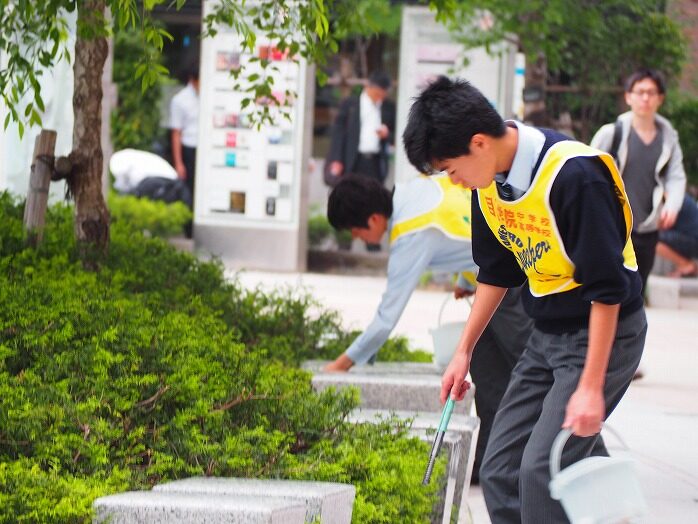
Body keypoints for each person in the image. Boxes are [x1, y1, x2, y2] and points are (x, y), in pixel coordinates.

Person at [403, 76, 646, 523]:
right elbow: (496, 273)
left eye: (451, 169)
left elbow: (608, 291)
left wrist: (591, 387)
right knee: (499, 470)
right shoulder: (488, 184)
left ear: (478, 143)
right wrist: (463, 352)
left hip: (602, 333)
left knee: (539, 472)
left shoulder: (575, 176)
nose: (454, 183)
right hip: (546, 336)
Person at [323, 174, 532, 483]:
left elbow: (385, 320)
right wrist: (465, 282)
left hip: (513, 284)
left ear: (374, 218)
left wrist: (340, 365)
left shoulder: (411, 234)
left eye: (356, 231)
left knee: (537, 370)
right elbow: (468, 230)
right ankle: (490, 467)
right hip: (491, 283)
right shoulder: (414, 191)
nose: (358, 238)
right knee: (489, 379)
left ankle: (586, 451)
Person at [591, 68, 686, 293]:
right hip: (612, 225)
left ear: (660, 98)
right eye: (640, 91)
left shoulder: (668, 139)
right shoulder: (610, 133)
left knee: (636, 292)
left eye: (651, 93)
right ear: (628, 96)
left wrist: (672, 206)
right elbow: (586, 170)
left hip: (646, 229)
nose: (645, 98)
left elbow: (676, 176)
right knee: (608, 290)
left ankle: (629, 329)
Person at [326, 71, 396, 186]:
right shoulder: (350, 105)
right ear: (369, 87)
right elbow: (338, 133)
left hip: (375, 162)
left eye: (383, 95)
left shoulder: (388, 108)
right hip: (353, 160)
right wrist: (336, 158)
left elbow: (396, 134)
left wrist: (387, 135)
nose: (379, 98)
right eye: (377, 94)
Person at [169, 66, 199, 237]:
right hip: (189, 148)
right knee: (188, 192)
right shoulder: (180, 100)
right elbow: (176, 133)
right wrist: (178, 162)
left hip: (204, 150)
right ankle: (188, 229)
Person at [656, 193, 698, 277]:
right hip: (690, 238)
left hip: (693, 240)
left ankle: (686, 265)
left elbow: (662, 224)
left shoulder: (671, 198)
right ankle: (685, 265)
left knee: (651, 240)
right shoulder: (678, 194)